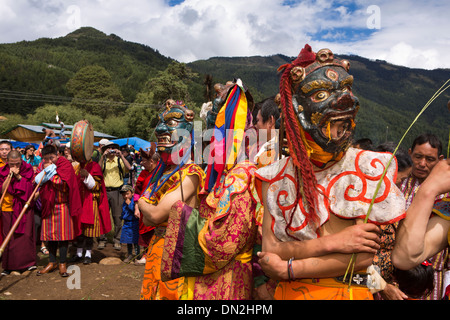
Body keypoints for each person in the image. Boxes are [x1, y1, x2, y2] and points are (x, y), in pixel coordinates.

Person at [255, 45, 406, 300]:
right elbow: (269, 251)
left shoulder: (366, 167)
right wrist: (332, 243)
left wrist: (291, 266)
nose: (344, 100)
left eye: (346, 90)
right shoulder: (275, 176)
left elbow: (363, 256)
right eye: (321, 94)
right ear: (295, 110)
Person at [160, 80, 261, 300]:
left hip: (226, 283)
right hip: (210, 281)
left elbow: (221, 244)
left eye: (213, 131)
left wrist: (180, 215)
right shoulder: (224, 175)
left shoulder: (241, 179)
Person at [138, 99, 205, 300]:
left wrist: (141, 203)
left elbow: (156, 215)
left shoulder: (191, 173)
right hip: (158, 245)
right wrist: (147, 210)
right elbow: (149, 217)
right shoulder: (165, 171)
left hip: (177, 250)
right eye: (161, 122)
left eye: (172, 122)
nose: (161, 128)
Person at [392, 133, 449, 300]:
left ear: (440, 160)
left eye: (429, 159)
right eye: (418, 157)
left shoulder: (446, 191)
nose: (422, 164)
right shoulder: (397, 184)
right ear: (410, 153)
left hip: (433, 274)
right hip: (396, 273)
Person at [369, 141, 414, 299]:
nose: (400, 186)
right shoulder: (363, 206)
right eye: (401, 180)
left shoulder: (388, 204)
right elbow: (350, 263)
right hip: (360, 286)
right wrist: (382, 286)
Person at [35, 145, 82, 277]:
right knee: (50, 236)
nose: (50, 161)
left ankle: (62, 263)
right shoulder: (43, 165)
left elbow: (64, 185)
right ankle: (51, 262)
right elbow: (37, 180)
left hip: (62, 206)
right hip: (48, 205)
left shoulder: (64, 164)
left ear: (57, 155)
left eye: (52, 158)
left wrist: (50, 173)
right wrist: (44, 173)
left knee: (62, 237)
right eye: (46, 159)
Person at [0, 150, 36, 275]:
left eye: (17, 164)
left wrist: (19, 177)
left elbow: (30, 188)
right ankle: (8, 266)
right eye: (12, 164)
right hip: (8, 207)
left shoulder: (27, 169)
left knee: (26, 236)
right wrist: (9, 177)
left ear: (21, 161)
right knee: (8, 236)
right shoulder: (2, 171)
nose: (15, 167)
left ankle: (28, 263)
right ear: (7, 162)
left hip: (24, 207)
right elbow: (2, 190)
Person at [71, 155, 111, 265]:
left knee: (89, 229)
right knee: (78, 228)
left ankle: (88, 253)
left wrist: (87, 175)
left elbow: (97, 187)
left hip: (90, 201)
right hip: (79, 201)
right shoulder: (76, 167)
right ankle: (79, 253)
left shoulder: (95, 166)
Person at [98, 140, 132, 250]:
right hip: (104, 191)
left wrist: (121, 155)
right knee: (103, 216)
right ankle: (101, 239)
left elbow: (129, 168)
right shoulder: (103, 161)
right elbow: (97, 170)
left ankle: (117, 239)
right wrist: (103, 157)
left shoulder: (118, 160)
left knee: (117, 217)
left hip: (117, 191)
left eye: (113, 148)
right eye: (109, 148)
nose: (111, 150)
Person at [133, 145, 159, 265]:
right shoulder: (143, 173)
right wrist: (137, 207)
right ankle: (145, 254)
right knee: (145, 231)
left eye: (144, 161)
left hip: (158, 206)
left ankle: (156, 254)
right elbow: (137, 192)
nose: (141, 163)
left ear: (152, 161)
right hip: (144, 207)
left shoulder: (161, 172)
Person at [119, 184, 139, 263]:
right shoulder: (124, 202)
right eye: (124, 195)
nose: (125, 196)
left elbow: (134, 210)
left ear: (132, 193)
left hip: (134, 223)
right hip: (127, 224)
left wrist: (129, 203)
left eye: (127, 194)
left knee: (135, 240)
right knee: (128, 241)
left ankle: (137, 256)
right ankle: (130, 255)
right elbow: (124, 212)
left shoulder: (135, 202)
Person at [0, 140, 12, 244]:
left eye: (6, 149)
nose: (4, 152)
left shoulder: (15, 163)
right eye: (2, 149)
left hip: (11, 202)